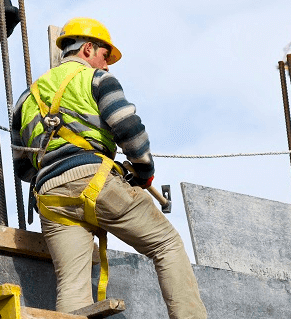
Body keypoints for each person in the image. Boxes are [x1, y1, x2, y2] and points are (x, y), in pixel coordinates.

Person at [11, 18, 206, 318]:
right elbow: (129, 129)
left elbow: (23, 169)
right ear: (88, 49)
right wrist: (143, 172)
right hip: (95, 181)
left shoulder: (25, 100)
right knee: (166, 244)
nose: (107, 66)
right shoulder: (97, 80)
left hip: (51, 198)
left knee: (72, 289)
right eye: (105, 56)